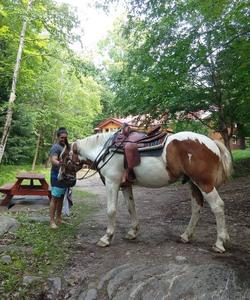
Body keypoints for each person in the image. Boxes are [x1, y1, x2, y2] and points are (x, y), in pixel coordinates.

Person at [49, 127, 68, 229]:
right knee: (55, 198)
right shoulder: (55, 147)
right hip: (56, 175)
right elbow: (53, 160)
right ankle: (52, 221)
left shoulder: (66, 146)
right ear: (58, 137)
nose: (63, 139)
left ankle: (59, 218)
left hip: (64, 176)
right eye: (61, 137)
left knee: (61, 197)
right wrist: (61, 163)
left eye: (65, 137)